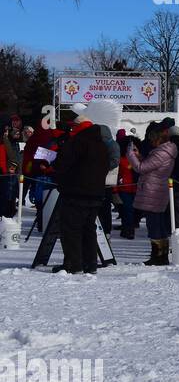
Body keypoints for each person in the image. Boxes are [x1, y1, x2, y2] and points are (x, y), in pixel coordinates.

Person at [51, 112, 110, 274]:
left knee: (71, 230)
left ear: (77, 127)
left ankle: (73, 264)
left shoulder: (77, 141)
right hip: (96, 193)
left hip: (75, 192)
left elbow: (62, 163)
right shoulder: (101, 144)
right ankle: (90, 264)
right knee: (89, 230)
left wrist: (57, 175)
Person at [129, 124, 178, 265]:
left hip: (153, 191)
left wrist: (131, 155)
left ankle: (158, 256)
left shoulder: (161, 152)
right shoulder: (165, 151)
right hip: (157, 190)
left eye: (152, 140)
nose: (151, 143)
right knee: (158, 223)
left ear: (158, 139)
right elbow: (149, 165)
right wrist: (139, 156)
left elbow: (141, 168)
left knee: (154, 224)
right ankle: (160, 255)